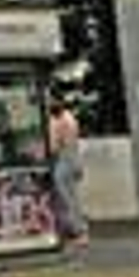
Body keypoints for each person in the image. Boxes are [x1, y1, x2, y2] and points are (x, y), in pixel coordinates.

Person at [49, 95, 87, 243]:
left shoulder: (64, 121)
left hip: (66, 159)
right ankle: (74, 229)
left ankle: (78, 230)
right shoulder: (65, 118)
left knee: (68, 197)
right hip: (69, 159)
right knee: (70, 197)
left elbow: (56, 145)